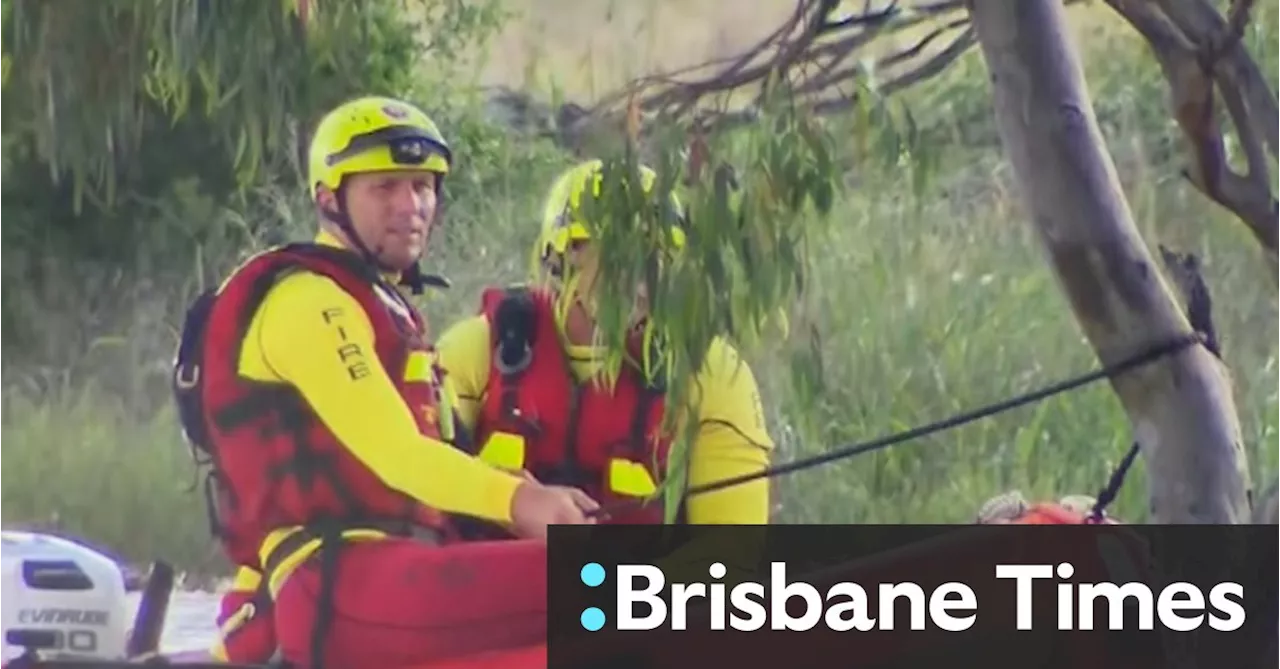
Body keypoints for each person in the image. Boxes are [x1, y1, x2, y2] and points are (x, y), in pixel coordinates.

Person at [170, 95, 597, 669]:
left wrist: (506, 490)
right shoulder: (306, 299)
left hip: (402, 586)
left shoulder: (384, 309)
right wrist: (522, 501)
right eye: (385, 188)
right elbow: (398, 455)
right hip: (341, 585)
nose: (410, 205)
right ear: (329, 199)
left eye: (422, 187)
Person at [435, 158, 776, 542]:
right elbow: (415, 480)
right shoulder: (478, 348)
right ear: (562, 256)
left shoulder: (710, 372)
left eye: (657, 253)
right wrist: (513, 495)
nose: (643, 274)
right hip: (491, 593)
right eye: (617, 255)